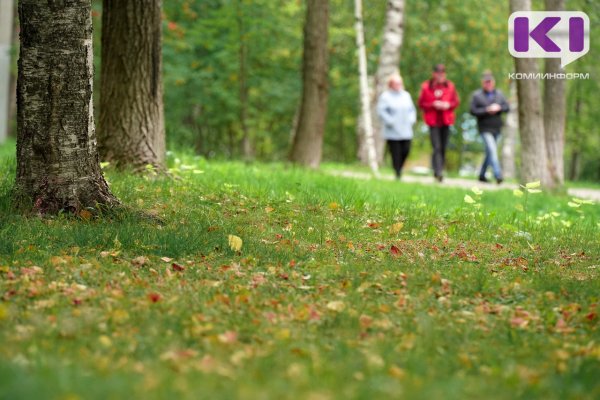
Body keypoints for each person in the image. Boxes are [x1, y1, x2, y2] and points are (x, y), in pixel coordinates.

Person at [418, 64, 460, 182]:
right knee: (436, 146)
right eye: (438, 72)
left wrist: (448, 105)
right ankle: (438, 172)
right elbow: (421, 104)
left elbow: (455, 102)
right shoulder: (426, 87)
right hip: (433, 121)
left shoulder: (450, 86)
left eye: (442, 72)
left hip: (446, 120)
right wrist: (433, 104)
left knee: (443, 147)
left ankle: (438, 169)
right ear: (434, 74)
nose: (440, 74)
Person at [469, 70, 510, 184]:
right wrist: (486, 110)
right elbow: (472, 110)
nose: (488, 84)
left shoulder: (500, 94)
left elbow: (507, 107)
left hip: (497, 127)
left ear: (493, 82)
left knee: (489, 152)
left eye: (490, 82)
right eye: (486, 82)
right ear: (483, 83)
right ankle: (498, 175)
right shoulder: (477, 95)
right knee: (492, 149)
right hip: (484, 128)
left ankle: (482, 175)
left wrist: (499, 108)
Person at [377, 74, 417, 179]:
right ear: (391, 85)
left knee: (406, 150)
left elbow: (411, 110)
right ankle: (397, 171)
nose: (398, 85)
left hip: (405, 129)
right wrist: (390, 121)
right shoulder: (385, 96)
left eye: (400, 83)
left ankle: (400, 167)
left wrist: (411, 120)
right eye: (396, 83)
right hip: (392, 130)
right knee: (396, 152)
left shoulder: (406, 95)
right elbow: (381, 111)